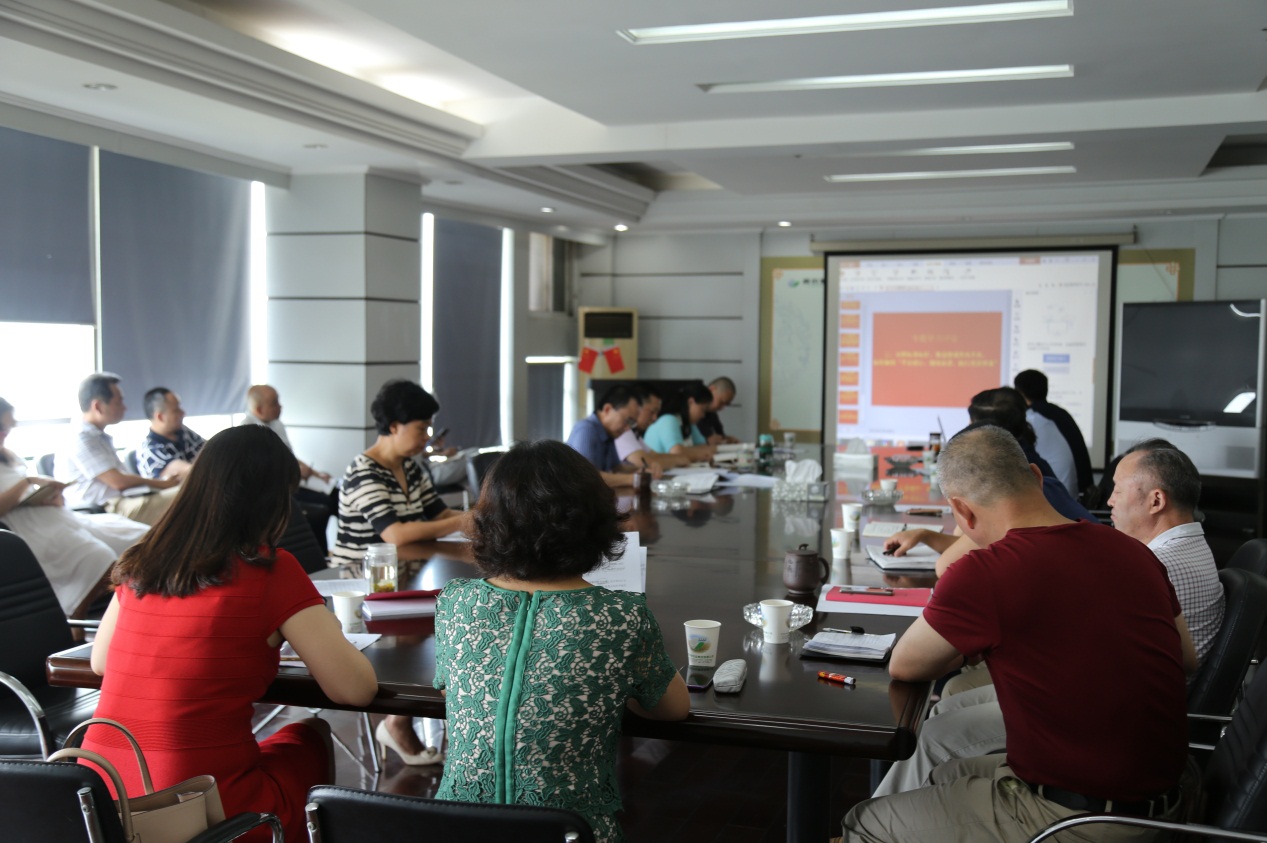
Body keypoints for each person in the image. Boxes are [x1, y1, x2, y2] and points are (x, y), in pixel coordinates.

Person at [842, 425, 1194, 843]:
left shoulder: (988, 570)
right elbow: (1185, 656)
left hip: (1078, 816)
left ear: (961, 512)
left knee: (864, 823)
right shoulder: (1135, 551)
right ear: (1036, 476)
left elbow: (905, 666)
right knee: (941, 773)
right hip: (1170, 800)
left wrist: (972, 647)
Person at [80, 425, 378, 842]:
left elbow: (100, 661)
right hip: (199, 806)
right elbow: (356, 690)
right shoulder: (270, 569)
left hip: (100, 801)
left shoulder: (143, 561)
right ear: (275, 501)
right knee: (308, 735)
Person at [433, 439, 689, 842]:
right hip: (571, 834)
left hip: (454, 829)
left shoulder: (456, 602)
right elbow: (673, 708)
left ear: (489, 523)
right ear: (594, 522)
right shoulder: (619, 615)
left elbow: (455, 690)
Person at [333, 379, 472, 764]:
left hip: (403, 580)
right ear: (393, 426)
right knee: (430, 631)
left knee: (448, 624)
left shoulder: (410, 467)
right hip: (362, 588)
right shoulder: (363, 470)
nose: (427, 437)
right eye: (421, 428)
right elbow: (394, 534)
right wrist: (462, 521)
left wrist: (473, 517)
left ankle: (409, 720)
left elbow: (438, 513)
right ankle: (398, 722)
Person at [0, 397, 147, 616]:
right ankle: (76, 616)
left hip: (57, 516)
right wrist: (27, 482)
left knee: (140, 537)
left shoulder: (8, 455)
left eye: (8, 427)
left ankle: (139, 607)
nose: (6, 433)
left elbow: (25, 494)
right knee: (99, 557)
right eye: (2, 428)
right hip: (30, 529)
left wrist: (50, 496)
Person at [55, 373, 180, 526]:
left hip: (122, 501)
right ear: (98, 406)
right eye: (119, 401)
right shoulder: (80, 438)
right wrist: (161, 484)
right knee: (187, 496)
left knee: (188, 494)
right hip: (105, 510)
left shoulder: (96, 436)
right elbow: (118, 481)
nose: (125, 407)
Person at [241, 384, 335, 551]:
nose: (280, 407)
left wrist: (316, 474)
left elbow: (290, 455)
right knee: (321, 508)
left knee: (335, 495)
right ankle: (318, 554)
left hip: (293, 481)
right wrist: (294, 471)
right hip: (276, 490)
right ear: (259, 409)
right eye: (274, 403)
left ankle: (326, 553)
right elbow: (261, 471)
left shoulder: (276, 424)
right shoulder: (246, 431)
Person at [1014, 369, 1094, 497]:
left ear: (1020, 393)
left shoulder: (1033, 418)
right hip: (1080, 492)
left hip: (1062, 496)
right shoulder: (1060, 412)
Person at [566, 383, 652, 488]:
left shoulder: (609, 433)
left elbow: (616, 467)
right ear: (607, 409)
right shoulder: (586, 430)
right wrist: (634, 479)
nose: (628, 428)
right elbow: (586, 477)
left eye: (632, 423)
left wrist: (644, 471)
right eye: (627, 421)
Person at [135, 387, 204, 480]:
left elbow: (209, 451)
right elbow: (188, 471)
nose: (183, 413)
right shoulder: (150, 451)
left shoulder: (184, 432)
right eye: (176, 410)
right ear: (160, 417)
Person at [642, 383, 717, 462]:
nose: (703, 415)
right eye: (703, 410)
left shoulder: (689, 423)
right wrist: (695, 452)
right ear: (691, 402)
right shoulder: (668, 420)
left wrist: (689, 451)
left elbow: (704, 447)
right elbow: (677, 453)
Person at [614, 384, 680, 471]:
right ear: (637, 407)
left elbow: (655, 456)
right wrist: (679, 460)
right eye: (652, 412)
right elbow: (645, 463)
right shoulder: (622, 431)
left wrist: (680, 459)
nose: (655, 418)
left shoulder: (634, 433)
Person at [695, 376, 739, 444]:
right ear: (711, 389)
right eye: (721, 402)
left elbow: (719, 436)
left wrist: (727, 440)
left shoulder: (712, 413)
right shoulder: (690, 414)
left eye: (726, 404)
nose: (722, 408)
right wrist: (707, 441)